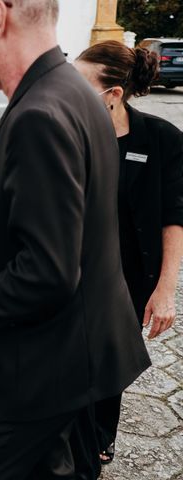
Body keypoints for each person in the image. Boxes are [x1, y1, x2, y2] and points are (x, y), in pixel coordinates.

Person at [0, 1, 151, 478]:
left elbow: (48, 273)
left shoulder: (40, 113)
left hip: (44, 368)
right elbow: (47, 219)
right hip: (80, 354)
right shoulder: (73, 91)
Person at [74, 40, 183, 466]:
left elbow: (174, 216)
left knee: (109, 361)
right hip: (72, 274)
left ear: (114, 94)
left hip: (129, 279)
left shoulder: (161, 139)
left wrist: (166, 289)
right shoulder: (71, 135)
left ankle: (101, 435)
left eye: (80, 87)